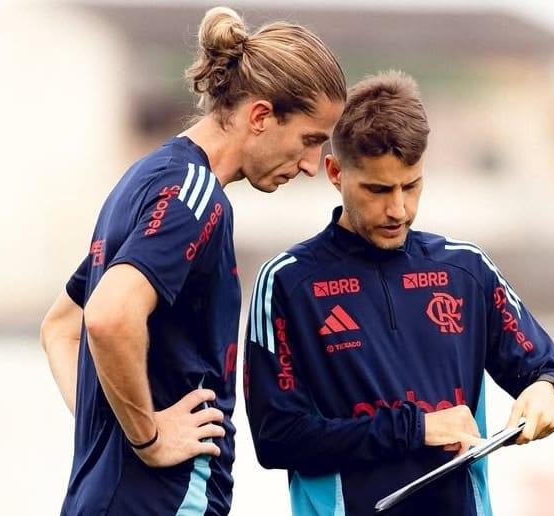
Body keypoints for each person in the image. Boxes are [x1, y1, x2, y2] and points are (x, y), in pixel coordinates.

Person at [38, 7, 345, 515]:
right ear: (260, 117)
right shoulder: (194, 197)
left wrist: (114, 431)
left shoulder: (146, 178)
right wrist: (148, 438)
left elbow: (62, 326)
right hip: (165, 500)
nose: (313, 165)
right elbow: (109, 316)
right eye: (310, 140)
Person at [243, 71, 554, 516]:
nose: (398, 209)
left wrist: (548, 392)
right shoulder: (287, 282)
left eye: (411, 185)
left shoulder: (465, 270)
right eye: (378, 190)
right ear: (335, 172)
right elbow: (276, 438)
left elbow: (550, 371)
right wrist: (416, 429)